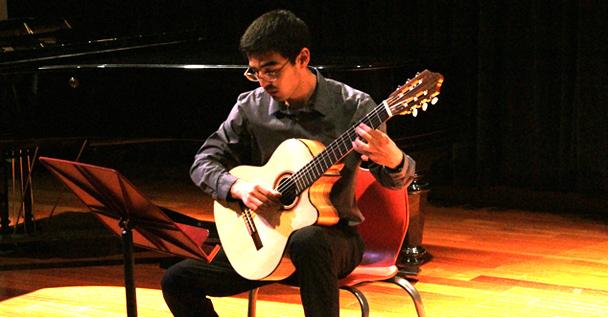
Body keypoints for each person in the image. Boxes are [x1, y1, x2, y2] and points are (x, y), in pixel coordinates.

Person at [161, 9, 416, 317]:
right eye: (254, 72)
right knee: (176, 279)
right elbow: (204, 162)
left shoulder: (353, 107)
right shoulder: (250, 107)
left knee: (308, 240)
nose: (263, 81)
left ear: (302, 58)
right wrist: (237, 187)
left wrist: (394, 160)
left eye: (271, 70)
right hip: (267, 238)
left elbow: (393, 181)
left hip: (334, 241)